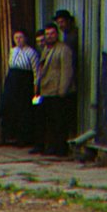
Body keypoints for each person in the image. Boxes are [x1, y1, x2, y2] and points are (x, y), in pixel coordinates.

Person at [35, 22, 77, 156]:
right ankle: (51, 147)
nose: (49, 36)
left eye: (52, 33)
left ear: (57, 34)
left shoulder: (63, 49)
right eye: (47, 34)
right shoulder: (46, 49)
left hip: (58, 91)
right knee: (50, 122)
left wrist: (62, 90)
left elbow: (67, 71)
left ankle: (60, 149)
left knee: (60, 122)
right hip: (46, 91)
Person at [1, 29, 38, 145]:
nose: (18, 40)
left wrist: (35, 86)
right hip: (12, 79)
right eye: (16, 38)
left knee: (24, 109)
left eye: (20, 37)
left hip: (24, 80)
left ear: (25, 38)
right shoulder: (13, 51)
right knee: (10, 107)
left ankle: (25, 138)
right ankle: (12, 136)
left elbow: (36, 71)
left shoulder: (31, 52)